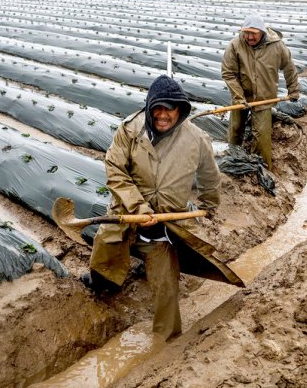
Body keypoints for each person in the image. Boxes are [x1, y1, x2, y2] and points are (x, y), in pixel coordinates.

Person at [81, 75, 243, 341]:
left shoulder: (196, 138)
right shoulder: (130, 131)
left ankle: (166, 345)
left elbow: (209, 176)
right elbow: (115, 169)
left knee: (165, 284)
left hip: (166, 222)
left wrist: (209, 204)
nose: (163, 115)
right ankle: (103, 284)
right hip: (127, 210)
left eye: (170, 108)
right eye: (158, 108)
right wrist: (138, 207)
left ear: (180, 109)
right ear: (149, 108)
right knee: (106, 248)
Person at [221, 13, 300, 170]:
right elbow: (228, 73)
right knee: (235, 130)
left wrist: (293, 89)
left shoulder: (277, 46)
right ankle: (233, 161)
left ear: (262, 32)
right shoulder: (236, 45)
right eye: (246, 33)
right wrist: (238, 98)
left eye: (253, 33)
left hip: (264, 98)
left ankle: (261, 170)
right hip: (241, 95)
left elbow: (289, 67)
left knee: (262, 136)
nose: (249, 37)